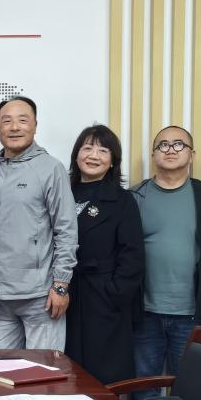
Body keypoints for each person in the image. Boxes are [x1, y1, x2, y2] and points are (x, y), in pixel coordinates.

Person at [131, 125, 201, 400]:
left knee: (191, 388)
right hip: (144, 313)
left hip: (191, 313)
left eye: (179, 144)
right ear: (153, 154)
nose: (170, 150)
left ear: (192, 154)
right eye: (163, 145)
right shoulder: (135, 196)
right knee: (143, 387)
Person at [0, 95, 77, 351]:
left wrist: (61, 285)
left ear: (35, 125)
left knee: (42, 370)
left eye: (22, 120)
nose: (14, 127)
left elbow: (66, 230)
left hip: (40, 296)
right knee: (2, 370)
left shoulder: (50, 168)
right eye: (6, 121)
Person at [63, 124, 144, 385]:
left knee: (104, 374)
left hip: (103, 296)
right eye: (87, 148)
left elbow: (133, 255)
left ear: (112, 161)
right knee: (66, 370)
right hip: (64, 293)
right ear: (76, 155)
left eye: (103, 150)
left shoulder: (122, 200)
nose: (93, 155)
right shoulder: (61, 192)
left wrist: (114, 293)